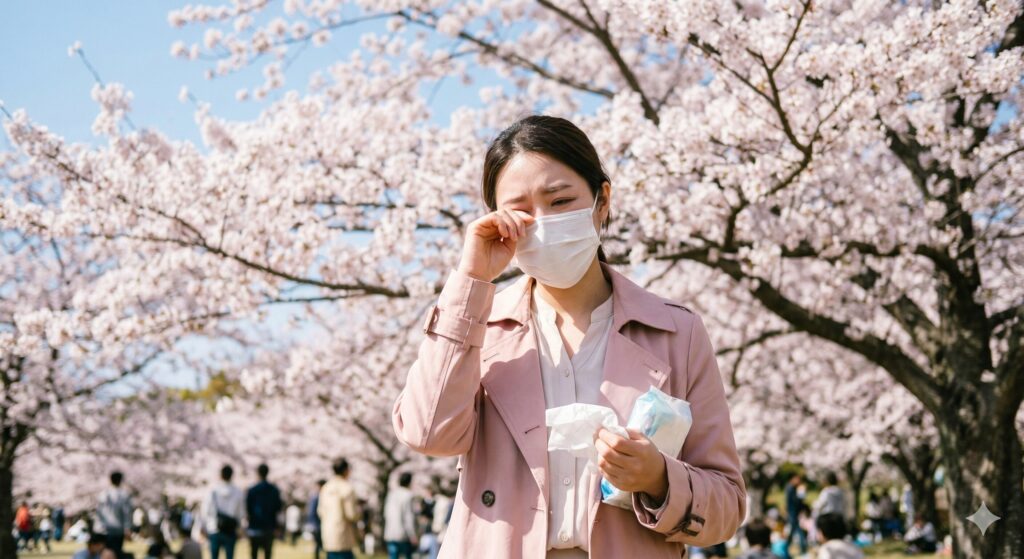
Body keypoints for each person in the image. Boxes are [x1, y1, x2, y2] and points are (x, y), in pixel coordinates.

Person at [391, 115, 747, 558]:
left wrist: (658, 478)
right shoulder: (479, 324)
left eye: (560, 201)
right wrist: (470, 280)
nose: (541, 223)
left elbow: (727, 506)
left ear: (602, 201)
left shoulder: (676, 332)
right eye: (520, 211)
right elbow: (428, 434)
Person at [318, 458, 360, 559]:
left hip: (328, 533)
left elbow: (320, 511)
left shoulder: (326, 487)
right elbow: (351, 514)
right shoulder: (347, 488)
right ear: (346, 470)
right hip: (343, 534)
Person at [202, 464, 245, 559]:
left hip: (214, 527)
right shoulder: (238, 492)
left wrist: (204, 526)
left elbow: (206, 510)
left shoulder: (212, 490)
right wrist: (240, 527)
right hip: (230, 529)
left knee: (214, 556)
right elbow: (241, 513)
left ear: (220, 475)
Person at [246, 463, 283, 559]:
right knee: (268, 554)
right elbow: (278, 508)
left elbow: (248, 509)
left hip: (255, 527)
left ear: (258, 473)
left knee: (254, 554)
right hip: (269, 527)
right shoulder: (274, 490)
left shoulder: (252, 490)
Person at [97, 471, 134, 557]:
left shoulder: (103, 494)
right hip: (118, 529)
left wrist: (99, 526)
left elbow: (99, 512)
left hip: (104, 529)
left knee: (106, 552)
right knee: (116, 552)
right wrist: (127, 528)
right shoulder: (124, 494)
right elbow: (127, 512)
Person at [383, 472, 417, 559]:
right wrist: (412, 534)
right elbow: (408, 517)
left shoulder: (391, 494)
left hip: (390, 531)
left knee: (393, 556)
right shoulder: (408, 495)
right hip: (403, 534)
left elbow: (386, 513)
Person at [784, 474, 807, 557]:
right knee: (796, 531)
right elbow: (796, 501)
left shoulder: (791, 488)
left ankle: (786, 549)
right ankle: (802, 548)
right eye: (797, 479)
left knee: (794, 532)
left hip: (793, 514)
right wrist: (801, 494)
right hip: (792, 514)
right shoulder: (791, 488)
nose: (798, 481)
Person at [307, 479, 327, 559]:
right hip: (317, 524)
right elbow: (312, 512)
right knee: (319, 544)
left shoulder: (316, 496)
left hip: (316, 524)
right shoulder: (317, 497)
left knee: (318, 544)